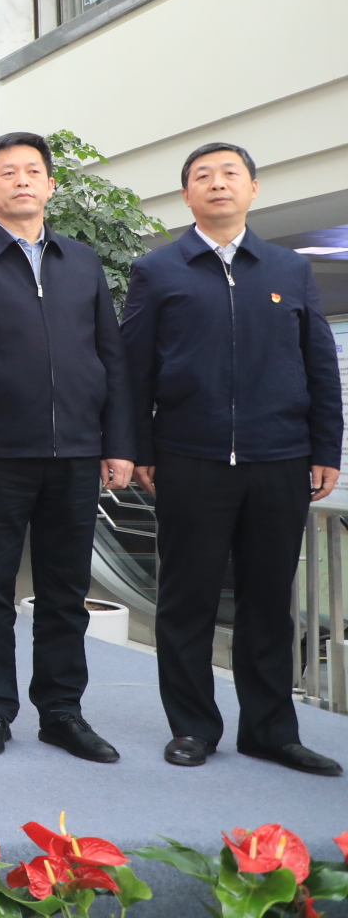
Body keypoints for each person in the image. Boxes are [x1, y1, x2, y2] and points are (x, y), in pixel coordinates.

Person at [122, 142, 343, 776]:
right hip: (189, 458)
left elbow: (319, 364)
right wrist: (139, 449)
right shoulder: (158, 270)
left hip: (280, 459)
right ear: (186, 194)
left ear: (253, 188)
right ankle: (193, 727)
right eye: (203, 176)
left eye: (230, 174)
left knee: (269, 603)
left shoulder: (288, 269)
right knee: (186, 600)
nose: (218, 184)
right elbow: (134, 370)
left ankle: (270, 731)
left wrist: (325, 447)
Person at [0, 132, 134, 763]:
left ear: (50, 185)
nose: (22, 180)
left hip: (76, 452)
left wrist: (117, 442)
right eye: (8, 172)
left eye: (33, 172)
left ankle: (62, 711)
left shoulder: (82, 261)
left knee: (65, 591)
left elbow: (110, 357)